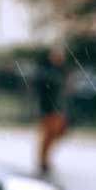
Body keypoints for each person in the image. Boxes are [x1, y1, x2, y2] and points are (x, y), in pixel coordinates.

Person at [35, 44, 71, 175]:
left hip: (59, 108)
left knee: (57, 133)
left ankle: (44, 159)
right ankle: (43, 160)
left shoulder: (62, 71)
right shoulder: (47, 72)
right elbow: (44, 91)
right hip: (50, 108)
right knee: (49, 134)